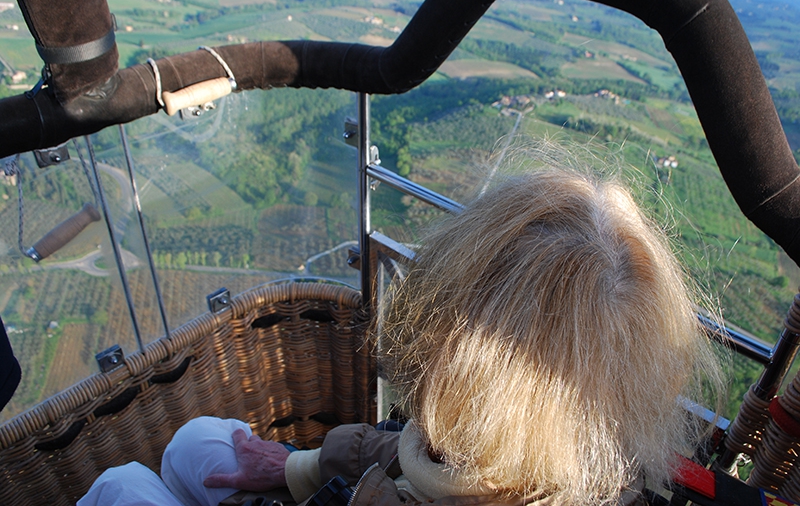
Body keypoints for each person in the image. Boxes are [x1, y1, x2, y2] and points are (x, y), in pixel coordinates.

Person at [79, 166, 724, 506]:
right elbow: (421, 457)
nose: (426, 408)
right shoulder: (568, 456)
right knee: (197, 445)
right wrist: (298, 469)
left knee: (118, 489)